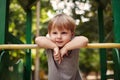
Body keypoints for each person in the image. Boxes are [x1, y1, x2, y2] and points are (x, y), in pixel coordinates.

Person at [35, 13, 88, 80]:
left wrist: (66, 48)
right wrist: (54, 47)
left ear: (72, 34)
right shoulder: (49, 43)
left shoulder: (73, 42)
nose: (59, 37)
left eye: (63, 33)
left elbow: (84, 40)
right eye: (55, 33)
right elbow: (38, 40)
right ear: (49, 34)